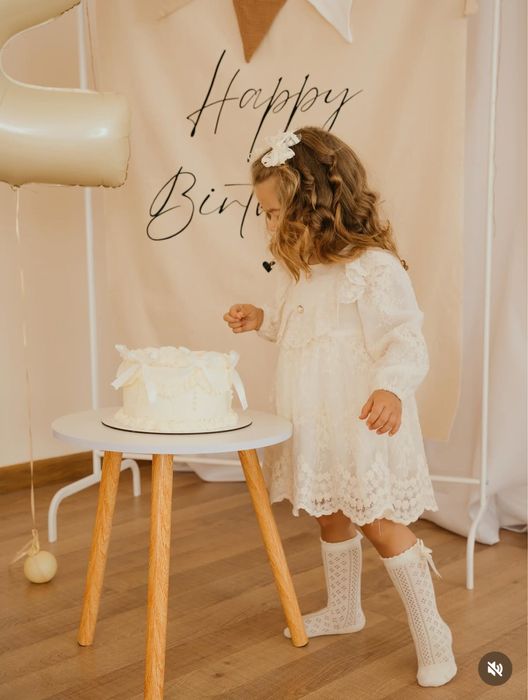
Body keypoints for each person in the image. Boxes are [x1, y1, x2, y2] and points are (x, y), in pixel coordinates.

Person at [222, 126, 456, 688]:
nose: (269, 224)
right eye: (265, 213)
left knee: (379, 523)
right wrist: (263, 319)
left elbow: (405, 338)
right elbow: (297, 328)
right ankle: (345, 609)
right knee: (329, 514)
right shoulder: (299, 270)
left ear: (314, 204)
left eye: (274, 212)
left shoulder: (372, 267)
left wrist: (391, 388)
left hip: (363, 421)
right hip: (316, 419)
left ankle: (433, 633)